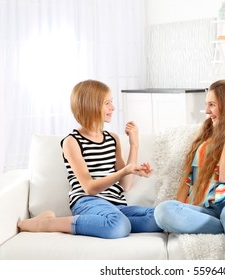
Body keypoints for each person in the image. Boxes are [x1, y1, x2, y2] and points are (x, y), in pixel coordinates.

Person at [18, 79, 162, 238]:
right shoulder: (72, 142)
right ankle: (46, 223)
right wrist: (124, 171)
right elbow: (89, 188)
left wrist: (134, 144)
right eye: (107, 103)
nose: (113, 107)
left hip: (116, 206)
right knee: (118, 226)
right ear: (91, 105)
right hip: (88, 202)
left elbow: (125, 185)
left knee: (159, 218)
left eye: (111, 102)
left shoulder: (112, 139)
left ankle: (112, 221)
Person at [154, 79, 225, 260]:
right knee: (163, 211)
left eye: (212, 105)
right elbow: (188, 178)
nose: (207, 111)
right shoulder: (207, 131)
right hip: (206, 208)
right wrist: (178, 214)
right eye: (206, 104)